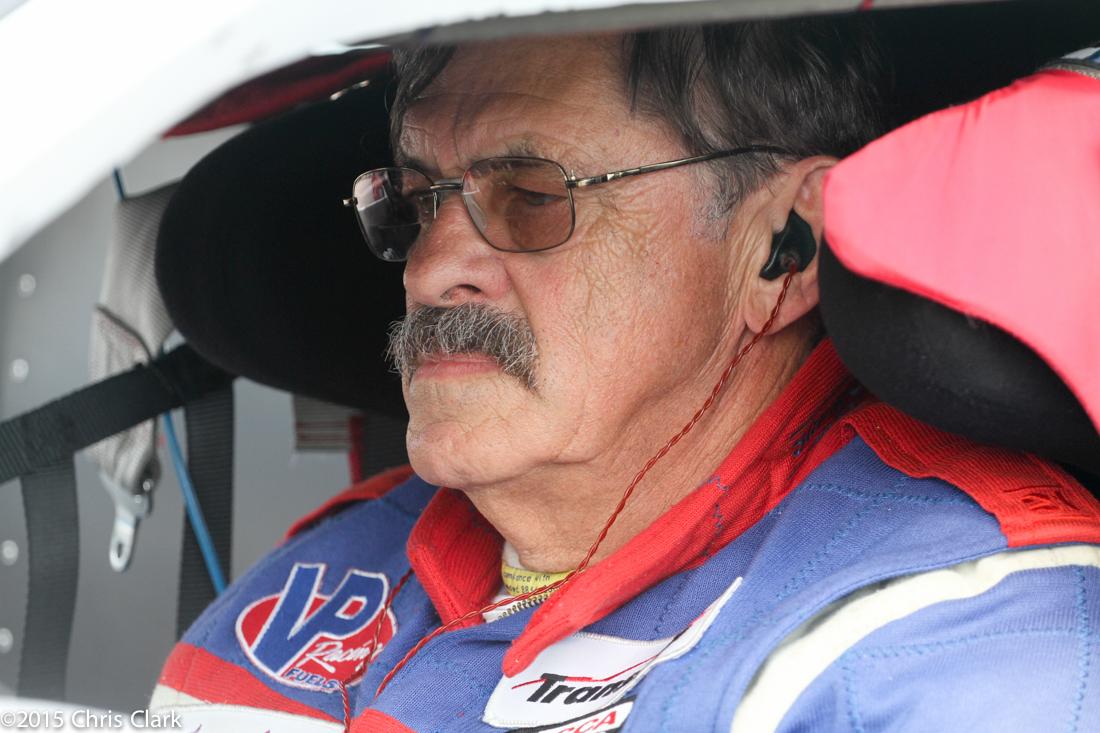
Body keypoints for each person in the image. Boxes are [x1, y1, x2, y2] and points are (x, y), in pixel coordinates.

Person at [150, 18, 1100, 733]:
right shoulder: (322, 570)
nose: (431, 270)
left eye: (531, 196)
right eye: (416, 201)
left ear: (783, 247)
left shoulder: (952, 633)